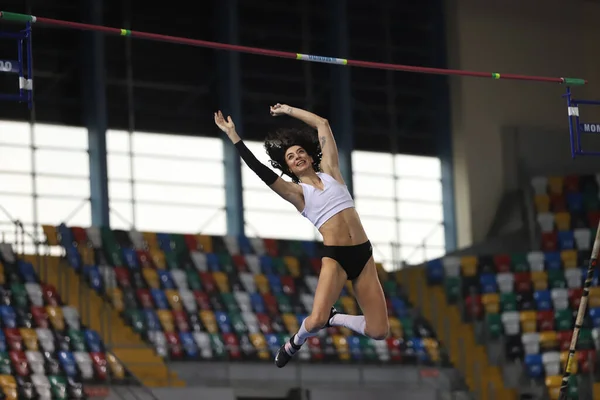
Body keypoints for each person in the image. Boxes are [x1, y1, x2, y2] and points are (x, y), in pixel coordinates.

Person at [214, 104, 389, 368]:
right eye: (291, 157)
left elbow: (323, 124)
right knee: (316, 320)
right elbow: (260, 171)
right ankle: (295, 341)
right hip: (338, 258)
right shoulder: (297, 194)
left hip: (363, 254)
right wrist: (234, 137)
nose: (297, 157)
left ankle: (336, 318)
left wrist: (287, 109)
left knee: (379, 330)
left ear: (309, 156)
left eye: (300, 152)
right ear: (289, 168)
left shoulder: (331, 172)